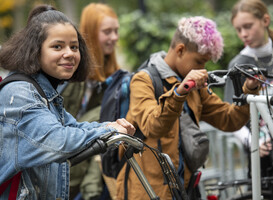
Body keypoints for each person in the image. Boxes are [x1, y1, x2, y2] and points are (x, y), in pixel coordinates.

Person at [115, 16, 261, 200]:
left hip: (186, 189)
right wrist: (180, 91)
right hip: (146, 192)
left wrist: (250, 89)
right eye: (200, 61)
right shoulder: (143, 80)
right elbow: (153, 126)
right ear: (181, 50)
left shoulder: (193, 86)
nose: (203, 68)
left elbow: (229, 120)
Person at [0, 4, 135, 200]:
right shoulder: (20, 93)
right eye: (57, 46)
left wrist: (112, 126)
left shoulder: (45, 92)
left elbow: (74, 127)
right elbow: (60, 140)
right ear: (35, 50)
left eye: (74, 47)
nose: (69, 53)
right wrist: (110, 131)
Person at [57, 3, 121, 200]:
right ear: (91, 33)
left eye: (116, 31)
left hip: (93, 180)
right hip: (63, 170)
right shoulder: (67, 74)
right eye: (107, 31)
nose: (114, 37)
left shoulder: (116, 78)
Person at [224, 0, 273, 187]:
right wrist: (252, 142)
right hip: (262, 153)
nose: (243, 34)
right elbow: (231, 116)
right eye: (238, 29)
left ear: (265, 20)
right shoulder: (238, 65)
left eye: (248, 26)